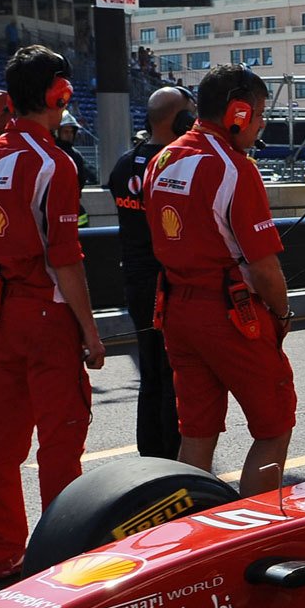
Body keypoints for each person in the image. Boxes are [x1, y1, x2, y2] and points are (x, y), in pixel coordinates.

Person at [0, 46, 106, 592]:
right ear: (58, 92)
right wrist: (91, 333)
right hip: (47, 312)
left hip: (3, 308)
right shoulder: (53, 162)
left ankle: (0, 560)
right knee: (61, 440)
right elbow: (64, 257)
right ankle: (60, 561)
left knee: (3, 442)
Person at [145, 64, 296, 492]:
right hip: (229, 314)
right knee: (274, 424)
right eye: (260, 114)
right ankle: (257, 535)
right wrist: (282, 313)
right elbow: (265, 269)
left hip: (176, 309)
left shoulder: (163, 159)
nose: (261, 125)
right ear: (238, 114)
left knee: (196, 433)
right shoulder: (234, 168)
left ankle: (189, 538)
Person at [107, 86, 192, 460]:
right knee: (174, 375)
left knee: (150, 375)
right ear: (181, 119)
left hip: (135, 283)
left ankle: (151, 458)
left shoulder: (124, 164)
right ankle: (174, 462)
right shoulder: (176, 165)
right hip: (169, 284)